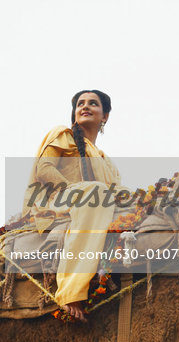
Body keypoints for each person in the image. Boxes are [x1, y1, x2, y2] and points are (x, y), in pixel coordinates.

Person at [22, 90, 120, 321]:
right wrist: (74, 191)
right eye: (80, 104)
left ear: (104, 116)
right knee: (95, 192)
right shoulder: (63, 134)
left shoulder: (105, 160)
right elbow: (44, 168)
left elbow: (117, 193)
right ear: (74, 113)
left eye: (92, 104)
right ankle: (70, 291)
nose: (85, 106)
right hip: (57, 200)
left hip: (92, 205)